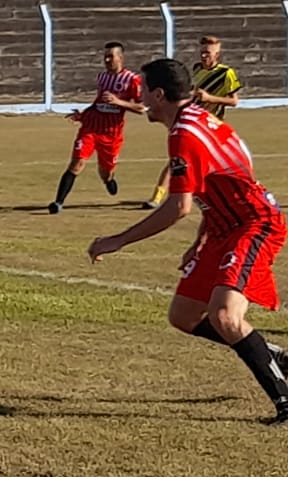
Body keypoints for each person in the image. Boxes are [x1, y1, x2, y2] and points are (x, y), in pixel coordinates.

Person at [88, 59, 288, 426]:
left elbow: (178, 207)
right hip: (223, 227)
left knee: (226, 315)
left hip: (253, 223)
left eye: (143, 90)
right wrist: (203, 239)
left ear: (159, 95)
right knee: (183, 316)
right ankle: (274, 356)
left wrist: (117, 240)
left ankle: (285, 400)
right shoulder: (194, 119)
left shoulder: (185, 133)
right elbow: (215, 184)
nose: (140, 98)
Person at [144, 35, 243, 209]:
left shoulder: (226, 73)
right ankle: (158, 197)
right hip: (191, 119)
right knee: (176, 161)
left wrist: (210, 98)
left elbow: (234, 101)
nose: (204, 56)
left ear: (217, 54)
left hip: (210, 125)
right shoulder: (196, 69)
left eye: (208, 53)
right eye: (202, 52)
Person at [49, 42, 143, 214]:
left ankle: (108, 180)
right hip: (91, 127)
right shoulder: (102, 77)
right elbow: (98, 102)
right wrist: (83, 115)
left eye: (111, 56)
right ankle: (58, 203)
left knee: (105, 171)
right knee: (77, 162)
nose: (107, 60)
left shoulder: (132, 80)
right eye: (105, 57)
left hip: (112, 132)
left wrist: (118, 102)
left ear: (120, 58)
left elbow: (142, 108)